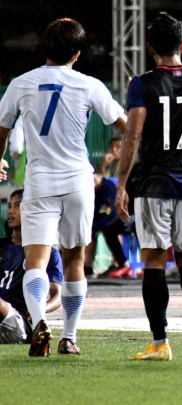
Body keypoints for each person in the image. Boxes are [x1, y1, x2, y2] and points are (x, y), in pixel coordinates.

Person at [0, 18, 127, 356]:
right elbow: (126, 126)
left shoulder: (21, 83)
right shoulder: (89, 85)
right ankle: (68, 337)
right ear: (77, 53)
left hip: (39, 182)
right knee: (74, 262)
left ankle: (39, 320)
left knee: (35, 261)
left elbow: (2, 130)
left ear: (45, 47)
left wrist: (0, 160)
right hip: (78, 182)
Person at [114, 12, 182, 361]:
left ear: (150, 48)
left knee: (154, 261)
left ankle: (160, 343)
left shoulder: (142, 84)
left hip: (153, 183)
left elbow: (132, 136)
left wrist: (121, 184)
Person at [0, 189, 63, 347]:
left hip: (18, 321)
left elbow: (57, 296)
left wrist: (40, 310)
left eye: (17, 206)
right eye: (9, 206)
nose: (11, 211)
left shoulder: (48, 253)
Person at [85, 173, 133, 279]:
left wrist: (98, 224)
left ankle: (117, 264)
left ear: (99, 175)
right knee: (91, 231)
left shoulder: (109, 187)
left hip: (123, 216)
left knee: (111, 229)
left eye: (93, 179)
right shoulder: (94, 191)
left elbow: (114, 212)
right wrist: (93, 225)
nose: (92, 183)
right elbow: (95, 212)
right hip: (107, 219)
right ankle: (87, 266)